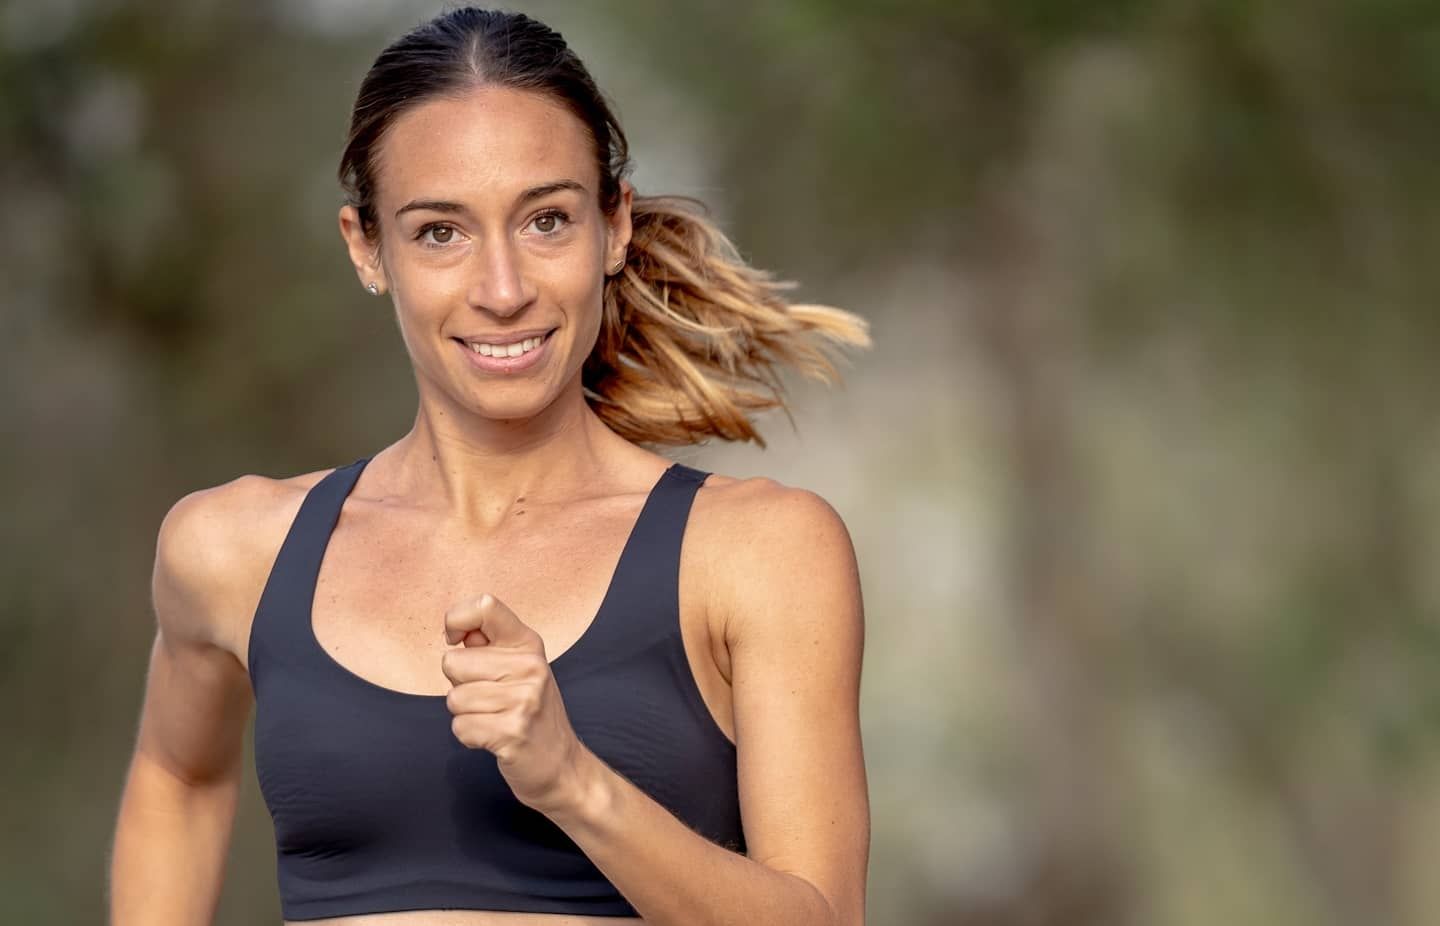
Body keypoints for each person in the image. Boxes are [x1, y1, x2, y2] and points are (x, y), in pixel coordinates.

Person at [108, 7, 871, 925]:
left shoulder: (758, 551)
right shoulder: (233, 549)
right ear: (366, 248)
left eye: (546, 220)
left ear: (614, 226)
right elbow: (177, 778)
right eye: (440, 232)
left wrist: (577, 785)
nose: (503, 291)